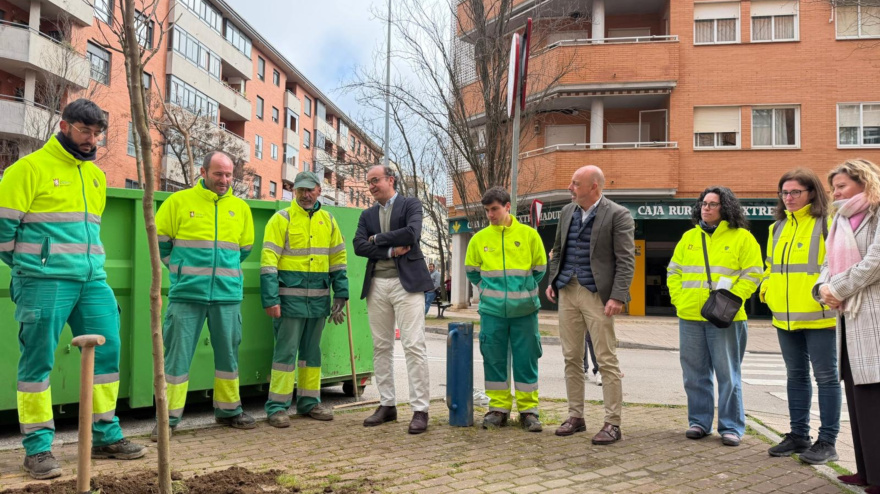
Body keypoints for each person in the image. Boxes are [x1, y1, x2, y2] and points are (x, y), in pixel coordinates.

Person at [0, 99, 145, 479]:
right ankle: (37, 449)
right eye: (85, 131)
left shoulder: (94, 176)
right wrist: (32, 270)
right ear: (64, 126)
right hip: (43, 282)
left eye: (97, 133)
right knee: (37, 362)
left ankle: (105, 434)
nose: (91, 140)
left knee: (107, 350)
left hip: (92, 280)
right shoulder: (27, 170)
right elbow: (3, 234)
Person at [153, 151, 256, 440]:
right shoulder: (178, 202)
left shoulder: (241, 208)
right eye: (218, 174)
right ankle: (168, 420)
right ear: (203, 171)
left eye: (228, 175)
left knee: (228, 356)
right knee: (176, 359)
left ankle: (229, 410)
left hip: (227, 295)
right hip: (187, 295)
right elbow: (159, 241)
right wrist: (181, 269)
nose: (224, 180)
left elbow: (244, 249)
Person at [667, 186, 763, 447]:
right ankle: (699, 422)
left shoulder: (742, 238)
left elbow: (754, 273)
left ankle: (731, 426)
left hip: (725, 317)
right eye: (703, 203)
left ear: (726, 208)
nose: (705, 208)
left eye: (712, 204)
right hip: (690, 316)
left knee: (728, 374)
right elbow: (673, 272)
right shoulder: (689, 237)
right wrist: (678, 299)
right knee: (694, 374)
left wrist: (733, 299)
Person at [546, 165, 635, 443]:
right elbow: (558, 249)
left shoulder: (618, 214)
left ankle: (612, 423)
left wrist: (618, 296)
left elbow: (626, 259)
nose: (570, 188)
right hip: (567, 290)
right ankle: (576, 416)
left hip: (598, 294)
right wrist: (553, 279)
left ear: (593, 186)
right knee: (571, 357)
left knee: (606, 359)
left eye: (575, 184)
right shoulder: (566, 212)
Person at [760, 169, 840, 464]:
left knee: (827, 378)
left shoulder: (827, 223)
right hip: (785, 316)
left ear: (812, 193)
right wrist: (767, 288)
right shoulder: (777, 227)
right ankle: (798, 436)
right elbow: (770, 266)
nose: (789, 198)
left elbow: (836, 266)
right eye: (784, 192)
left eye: (796, 192)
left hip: (819, 317)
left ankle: (828, 441)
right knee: (795, 376)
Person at [261, 171, 348, 427]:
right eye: (300, 190)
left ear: (319, 190)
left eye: (310, 189)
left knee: (312, 354)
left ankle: (310, 402)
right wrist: (270, 299)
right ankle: (277, 407)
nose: (305, 194)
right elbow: (268, 263)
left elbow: (338, 261)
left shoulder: (329, 221)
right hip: (288, 301)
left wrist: (341, 294)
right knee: (285, 354)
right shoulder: (281, 219)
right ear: (294, 191)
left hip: (319, 300)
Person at [353, 165, 434, 434]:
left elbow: (412, 234)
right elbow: (358, 246)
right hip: (376, 285)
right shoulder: (367, 214)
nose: (372, 186)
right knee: (381, 346)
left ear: (391, 180)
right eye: (369, 182)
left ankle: (420, 409)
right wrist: (389, 250)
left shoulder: (411, 204)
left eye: (375, 180)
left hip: (407, 285)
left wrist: (376, 238)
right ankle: (387, 405)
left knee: (413, 345)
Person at [815, 159, 880, 493]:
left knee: (874, 399)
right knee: (857, 400)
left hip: (872, 316)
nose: (836, 193)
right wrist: (822, 288)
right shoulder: (839, 220)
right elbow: (827, 262)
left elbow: (875, 262)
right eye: (834, 188)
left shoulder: (877, 212)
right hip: (848, 318)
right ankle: (865, 470)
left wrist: (835, 289)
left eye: (841, 186)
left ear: (863, 181)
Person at [465, 187, 547, 432]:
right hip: (492, 312)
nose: (490, 214)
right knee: (494, 360)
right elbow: (471, 270)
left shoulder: (529, 235)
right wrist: (487, 291)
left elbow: (540, 268)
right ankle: (498, 409)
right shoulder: (479, 239)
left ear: (508, 206)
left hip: (525, 312)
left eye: (495, 209)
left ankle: (528, 412)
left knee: (526, 360)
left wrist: (525, 289)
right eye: (487, 210)